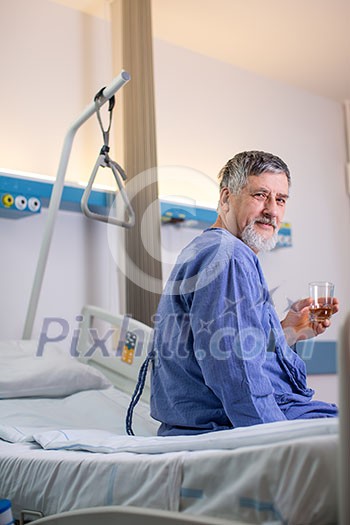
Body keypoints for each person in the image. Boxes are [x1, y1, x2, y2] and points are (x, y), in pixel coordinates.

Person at [148, 151, 339, 436]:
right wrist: (277, 443)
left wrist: (288, 331)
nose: (272, 210)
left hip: (218, 419)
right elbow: (237, 375)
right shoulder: (228, 256)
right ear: (226, 198)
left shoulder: (212, 250)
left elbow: (229, 349)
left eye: (281, 199)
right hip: (228, 424)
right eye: (260, 195)